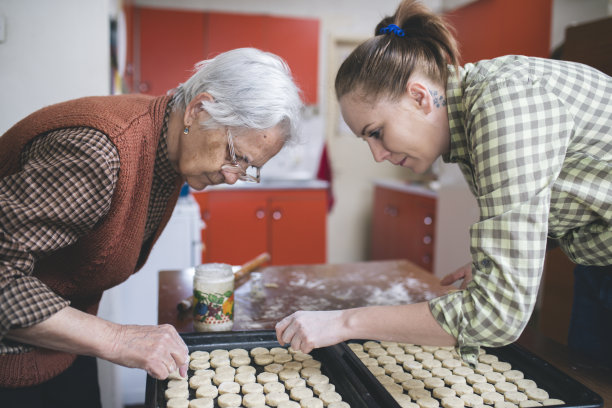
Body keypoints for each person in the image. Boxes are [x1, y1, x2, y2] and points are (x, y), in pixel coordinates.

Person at [276, 0, 612, 367]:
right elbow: (568, 192)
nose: (377, 154)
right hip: (597, 265)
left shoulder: (503, 107)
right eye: (365, 140)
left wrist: (344, 322)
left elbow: (499, 314)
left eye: (377, 132)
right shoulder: (467, 122)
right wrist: (509, 256)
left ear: (419, 98)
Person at [0, 47, 302, 406]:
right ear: (198, 110)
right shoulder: (101, 153)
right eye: (235, 156)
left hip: (58, 347)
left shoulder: (172, 144)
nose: (233, 176)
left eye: (248, 168)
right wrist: (116, 339)